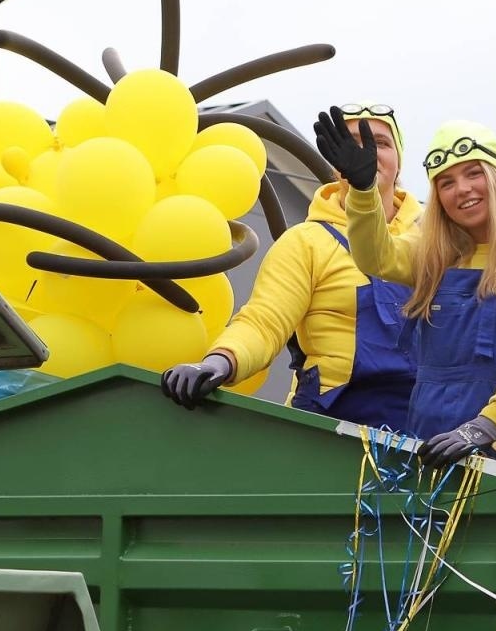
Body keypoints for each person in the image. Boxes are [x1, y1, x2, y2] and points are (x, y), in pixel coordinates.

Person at [316, 110, 496, 468]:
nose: (463, 189)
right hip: (432, 444)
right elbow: (378, 259)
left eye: (474, 173)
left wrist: (487, 424)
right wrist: (364, 193)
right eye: (446, 181)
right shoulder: (434, 248)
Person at [160, 103, 421, 430]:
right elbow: (264, 321)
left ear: (399, 163)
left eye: (380, 143)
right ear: (337, 162)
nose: (366, 151)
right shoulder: (306, 242)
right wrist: (219, 362)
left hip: (424, 431)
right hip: (329, 426)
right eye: (351, 141)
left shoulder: (435, 243)